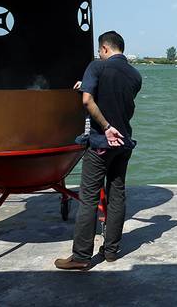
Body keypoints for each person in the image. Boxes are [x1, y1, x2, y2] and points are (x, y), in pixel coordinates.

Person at [55, 31, 142, 270]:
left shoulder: (96, 67)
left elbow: (87, 102)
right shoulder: (135, 75)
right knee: (117, 195)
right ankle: (111, 251)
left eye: (100, 52)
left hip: (102, 143)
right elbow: (115, 99)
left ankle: (82, 257)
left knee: (89, 199)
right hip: (124, 144)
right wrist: (88, 88)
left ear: (104, 49)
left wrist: (105, 127)